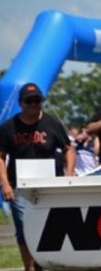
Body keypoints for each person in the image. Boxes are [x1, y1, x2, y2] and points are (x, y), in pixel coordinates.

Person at [0, 83, 76, 271]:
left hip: (49, 186)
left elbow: (69, 149)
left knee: (49, 226)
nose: (34, 104)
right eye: (29, 101)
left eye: (37, 100)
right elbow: (0, 156)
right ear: (21, 103)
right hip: (19, 186)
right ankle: (29, 267)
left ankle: (46, 263)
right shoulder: (9, 127)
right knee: (24, 228)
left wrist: (69, 174)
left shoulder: (52, 124)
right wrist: (5, 184)